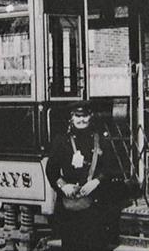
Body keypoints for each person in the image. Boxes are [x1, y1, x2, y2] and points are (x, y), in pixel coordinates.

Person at [46, 101, 126, 251]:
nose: (81, 120)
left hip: (96, 206)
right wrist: (64, 186)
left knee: (95, 245)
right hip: (70, 206)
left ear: (91, 116)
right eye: (77, 116)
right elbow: (51, 170)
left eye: (85, 116)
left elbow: (111, 168)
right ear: (71, 117)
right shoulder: (61, 140)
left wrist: (97, 181)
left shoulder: (101, 139)